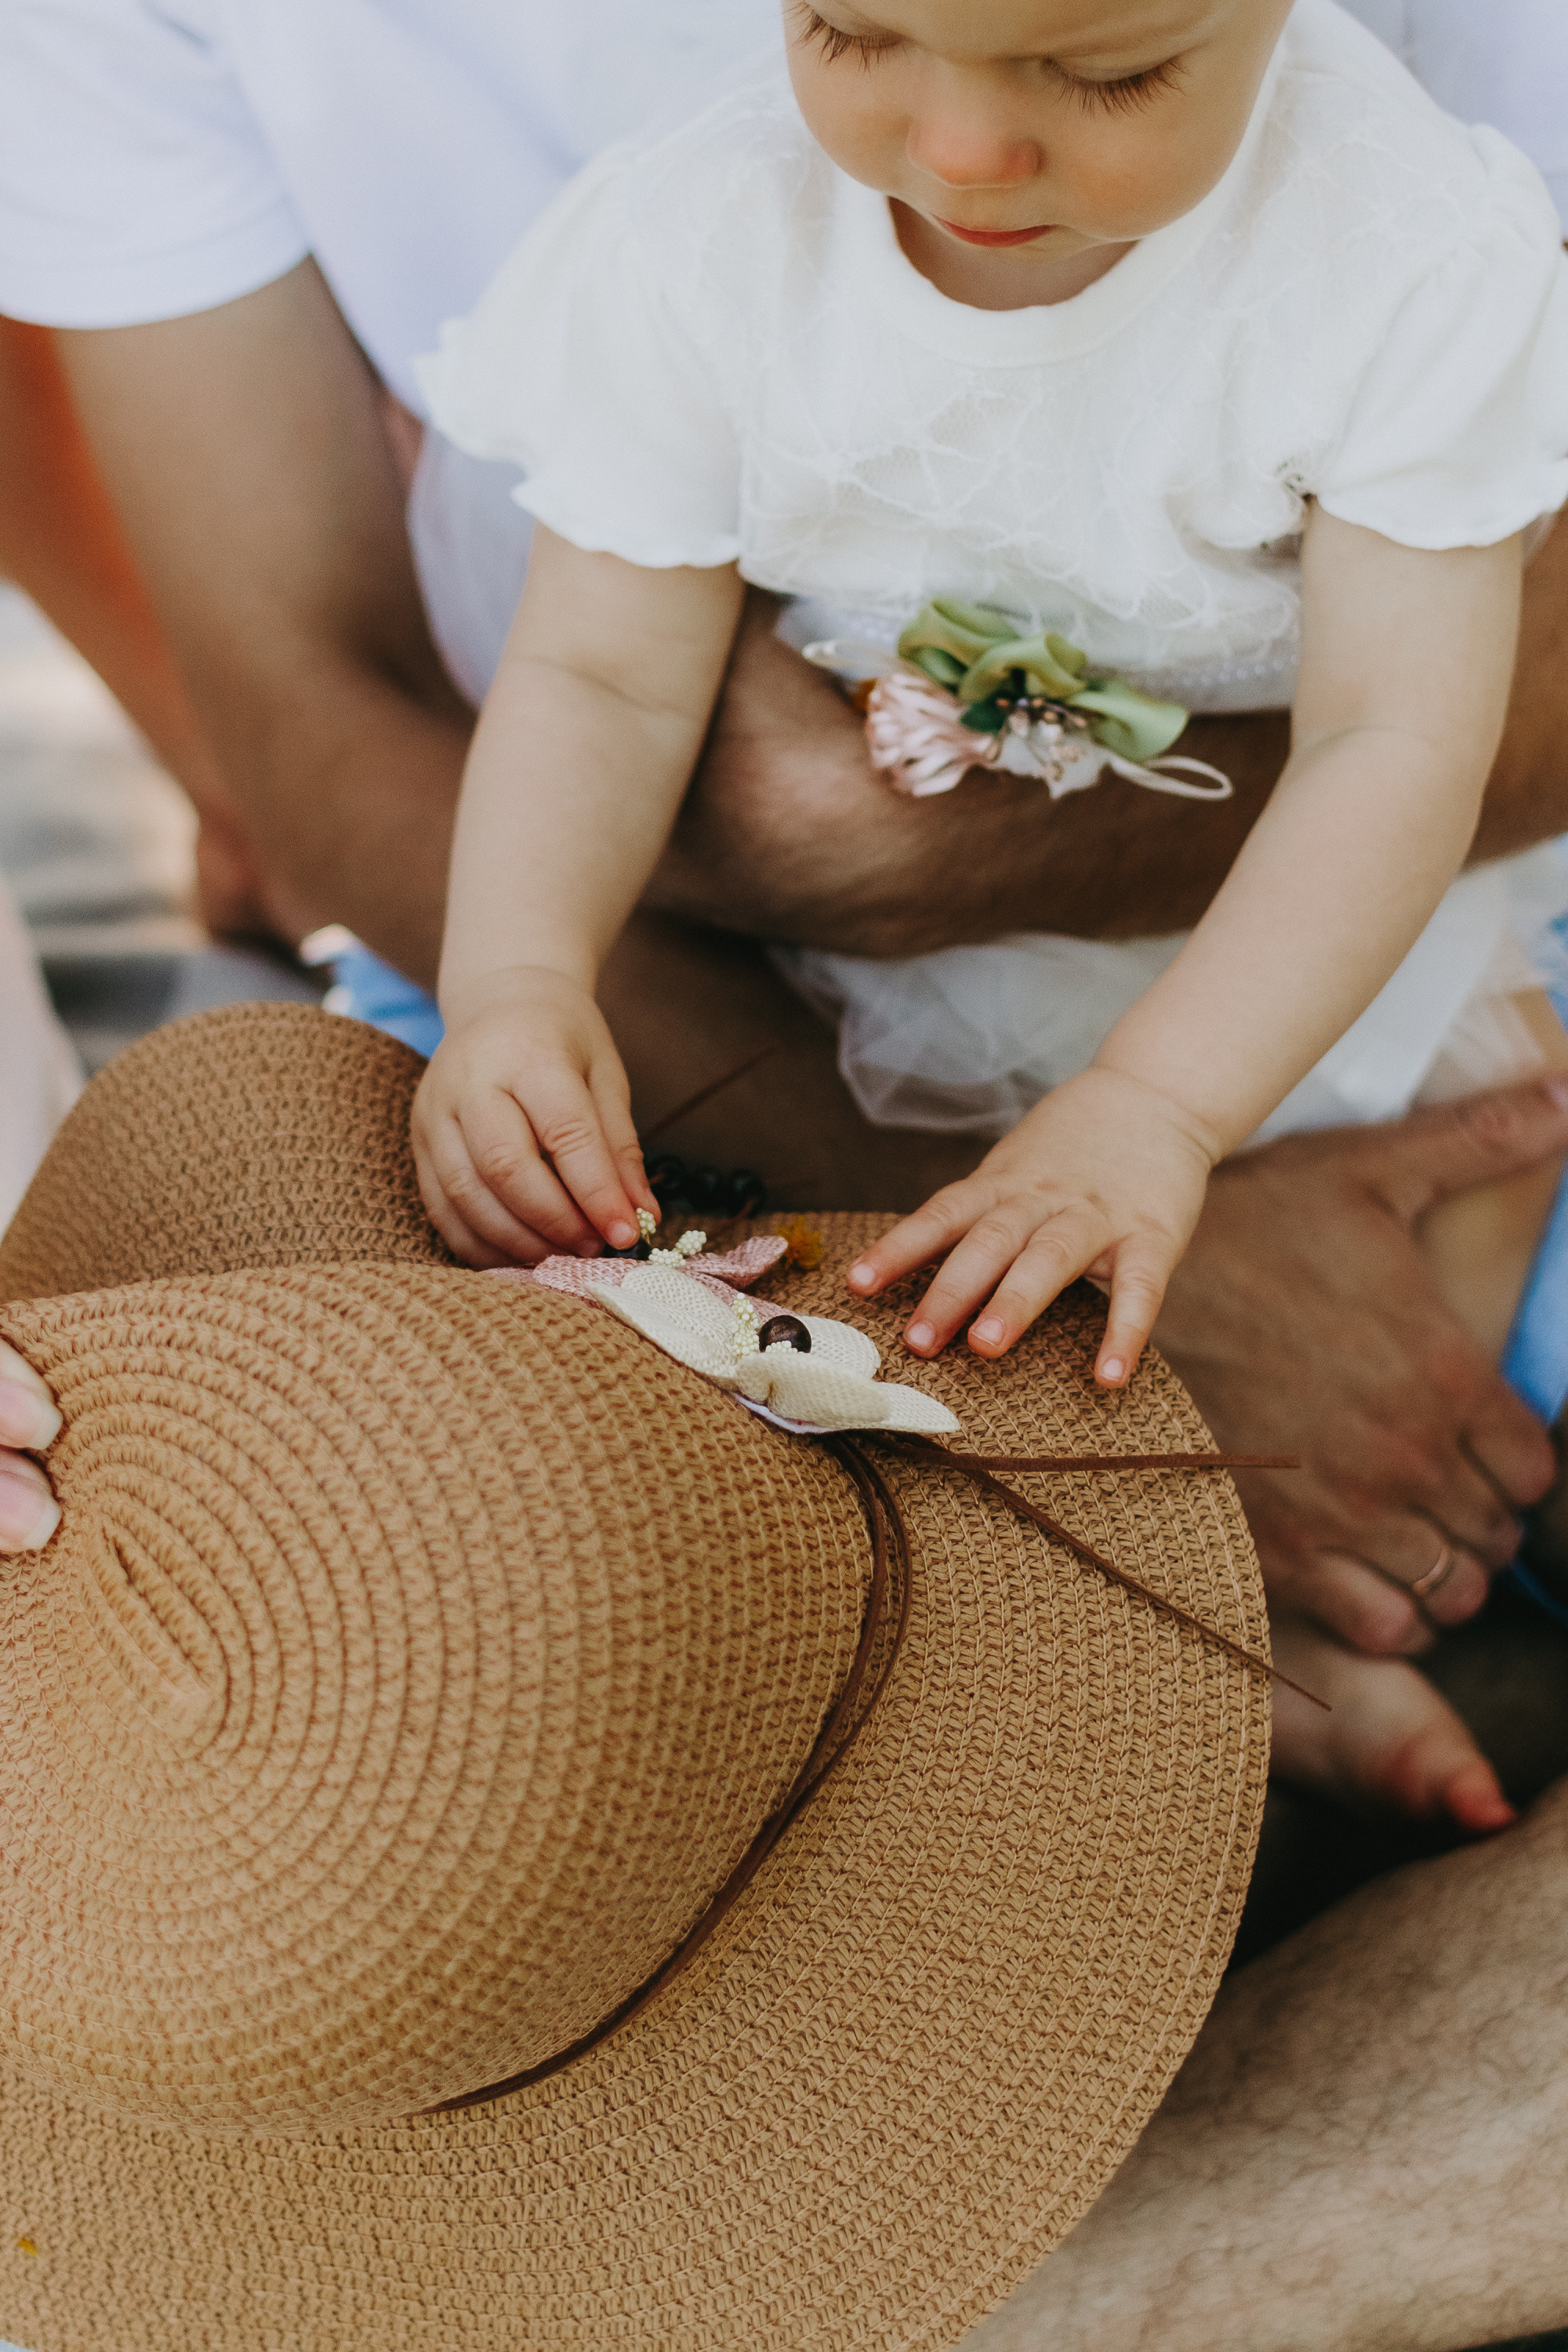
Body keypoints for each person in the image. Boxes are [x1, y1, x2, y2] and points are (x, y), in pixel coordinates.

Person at [409, 0, 1567, 1428]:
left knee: (1469, 1168)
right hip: (867, 924)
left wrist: (1159, 1106)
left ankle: (1373, 1585)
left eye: (1108, 73)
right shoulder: (707, 227)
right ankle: (1107, 1587)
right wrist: (518, 979)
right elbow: (600, 675)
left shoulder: (1403, 252)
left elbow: (1388, 744)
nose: (962, 152)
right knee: (884, 1336)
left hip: (1275, 886)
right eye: (848, 33)